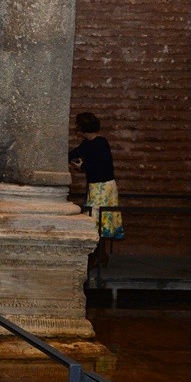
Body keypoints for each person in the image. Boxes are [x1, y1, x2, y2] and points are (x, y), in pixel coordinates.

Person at [69, 112, 124, 267]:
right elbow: (72, 154)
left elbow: (104, 166)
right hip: (95, 187)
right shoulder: (87, 143)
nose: (76, 128)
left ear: (83, 127)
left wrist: (83, 166)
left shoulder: (101, 143)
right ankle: (100, 255)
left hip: (104, 187)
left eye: (78, 125)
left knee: (98, 221)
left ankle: (98, 256)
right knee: (96, 221)